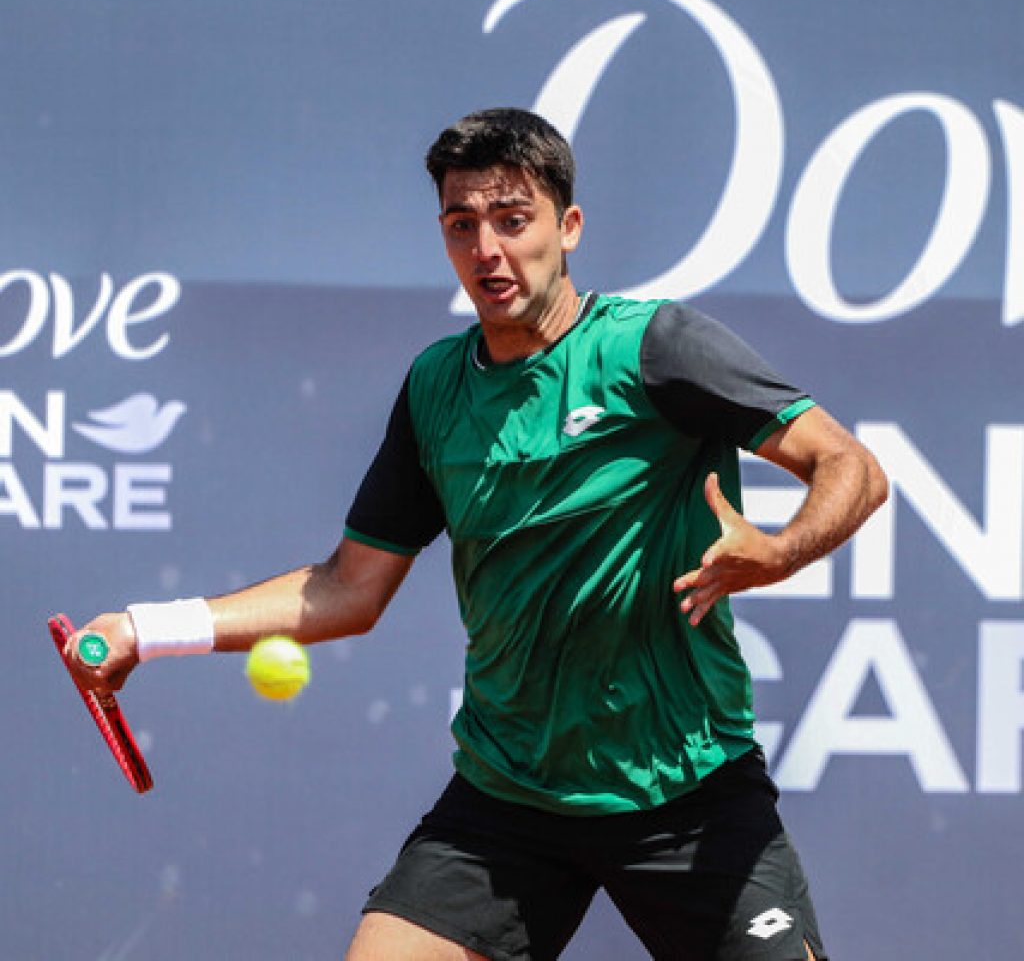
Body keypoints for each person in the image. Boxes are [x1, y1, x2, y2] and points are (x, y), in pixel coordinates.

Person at [68, 107, 888, 961]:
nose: (487, 250)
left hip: (688, 795)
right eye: (463, 226)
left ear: (567, 227)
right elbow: (348, 588)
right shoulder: (435, 388)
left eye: (512, 220)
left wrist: (782, 549)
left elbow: (852, 468)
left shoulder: (657, 348)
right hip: (509, 801)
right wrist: (143, 628)